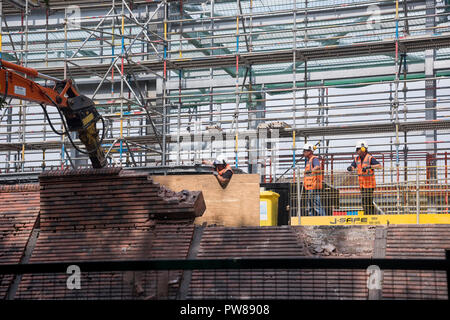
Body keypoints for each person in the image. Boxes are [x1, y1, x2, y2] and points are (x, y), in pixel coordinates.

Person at [347, 140, 383, 215]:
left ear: (363, 149)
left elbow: (379, 166)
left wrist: (368, 167)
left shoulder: (370, 158)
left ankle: (370, 216)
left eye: (358, 149)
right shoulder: (357, 159)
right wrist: (350, 168)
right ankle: (368, 215)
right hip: (362, 185)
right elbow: (353, 166)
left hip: (369, 185)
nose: (357, 151)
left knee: (368, 201)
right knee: (365, 201)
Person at [303, 143, 326, 216]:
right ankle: (311, 220)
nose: (303, 152)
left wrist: (312, 170)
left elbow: (317, 166)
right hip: (309, 186)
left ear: (309, 151)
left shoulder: (314, 159)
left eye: (305, 151)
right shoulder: (308, 160)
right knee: (310, 205)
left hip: (313, 186)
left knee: (316, 205)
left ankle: (323, 220)